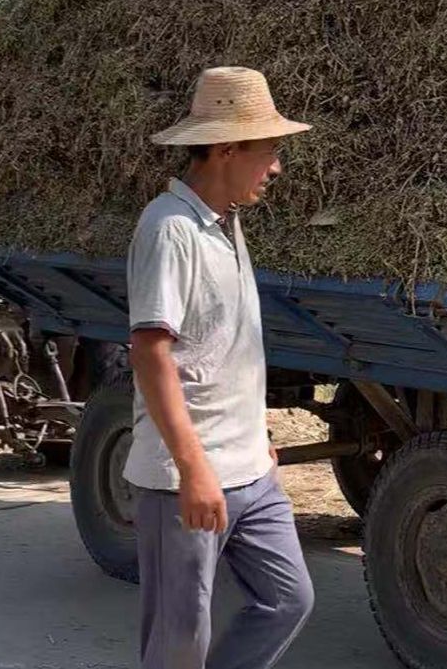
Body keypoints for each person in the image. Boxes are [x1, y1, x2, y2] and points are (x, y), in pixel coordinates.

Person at [124, 66, 315, 669]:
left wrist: (257, 438)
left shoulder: (226, 225)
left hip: (250, 470)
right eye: (270, 151)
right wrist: (194, 470)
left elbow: (224, 349)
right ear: (227, 148)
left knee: (289, 599)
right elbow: (150, 351)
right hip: (187, 476)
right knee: (180, 641)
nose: (276, 167)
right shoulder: (170, 229)